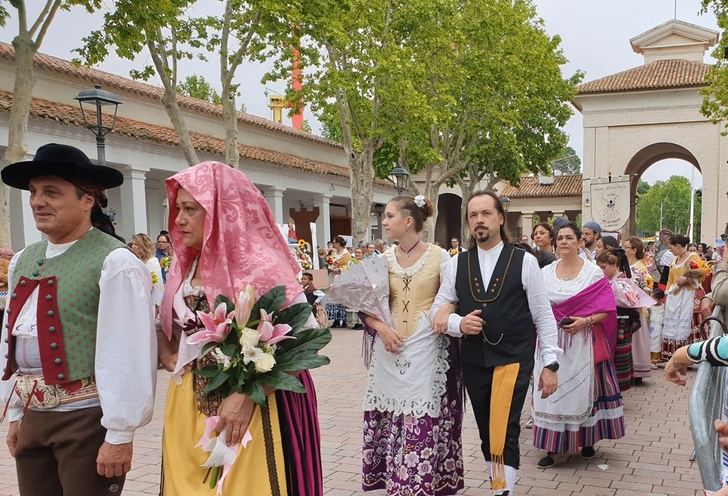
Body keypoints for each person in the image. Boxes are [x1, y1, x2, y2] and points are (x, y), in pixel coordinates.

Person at [157, 161, 323, 495]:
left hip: (257, 406)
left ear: (220, 211)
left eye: (191, 209)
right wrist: (168, 354)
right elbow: (165, 328)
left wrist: (246, 396)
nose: (178, 219)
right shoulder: (182, 267)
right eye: (178, 209)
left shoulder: (262, 266)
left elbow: (305, 342)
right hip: (189, 403)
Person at [0, 143, 157, 495]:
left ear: (87, 199)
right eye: (35, 192)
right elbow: (10, 339)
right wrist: (14, 412)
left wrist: (119, 433)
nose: (38, 201)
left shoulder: (115, 262)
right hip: (32, 413)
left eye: (51, 192)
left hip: (85, 418)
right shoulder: (24, 259)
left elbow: (127, 351)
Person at [431, 191, 560, 495]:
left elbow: (544, 316)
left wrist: (550, 364)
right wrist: (458, 324)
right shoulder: (456, 264)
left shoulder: (525, 261)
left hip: (513, 358)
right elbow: (437, 311)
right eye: (473, 215)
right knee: (488, 432)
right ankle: (499, 485)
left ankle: (502, 490)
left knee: (505, 429)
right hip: (474, 360)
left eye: (486, 213)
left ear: (500, 218)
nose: (479, 220)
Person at [359, 195, 464, 495]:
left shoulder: (440, 257)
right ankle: (394, 481)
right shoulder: (381, 259)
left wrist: (447, 309)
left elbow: (452, 296)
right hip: (389, 348)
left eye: (390, 216)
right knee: (390, 415)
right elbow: (364, 305)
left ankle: (417, 484)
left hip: (426, 347)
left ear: (408, 221)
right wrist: (381, 328)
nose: (384, 221)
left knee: (421, 416)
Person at [533, 222, 624, 467]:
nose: (563, 242)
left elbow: (607, 309)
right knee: (553, 393)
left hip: (583, 341)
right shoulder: (544, 273)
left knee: (582, 391)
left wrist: (585, 321)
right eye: (559, 238)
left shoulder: (592, 273)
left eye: (569, 237)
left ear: (579, 242)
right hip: (552, 342)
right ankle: (551, 446)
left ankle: (586, 441)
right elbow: (537, 309)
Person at [595, 250, 641, 391]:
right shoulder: (601, 280)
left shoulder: (622, 282)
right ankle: (605, 385)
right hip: (605, 321)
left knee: (619, 354)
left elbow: (633, 301)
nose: (601, 270)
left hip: (621, 321)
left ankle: (618, 386)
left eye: (604, 267)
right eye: (599, 267)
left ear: (614, 265)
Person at [661, 233, 708, 360]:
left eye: (671, 248)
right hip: (675, 297)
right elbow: (670, 280)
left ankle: (692, 355)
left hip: (690, 295)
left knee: (690, 323)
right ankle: (676, 355)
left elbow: (701, 275)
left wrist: (686, 280)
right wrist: (668, 293)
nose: (670, 251)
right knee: (673, 325)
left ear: (677, 246)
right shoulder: (673, 261)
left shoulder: (693, 257)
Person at [623, 237, 653, 383]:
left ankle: (638, 371)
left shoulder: (640, 268)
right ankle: (628, 369)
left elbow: (647, 287)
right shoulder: (625, 266)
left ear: (634, 250)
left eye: (627, 247)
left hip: (637, 309)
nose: (624, 250)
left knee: (638, 340)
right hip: (626, 308)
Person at [131, 233, 165, 309]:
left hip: (150, 301)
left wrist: (157, 304)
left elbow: (157, 284)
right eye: (132, 244)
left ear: (144, 246)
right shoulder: (134, 260)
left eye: (136, 245)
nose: (133, 247)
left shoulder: (152, 261)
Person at [326, 236, 351, 328]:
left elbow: (348, 266)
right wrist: (331, 266)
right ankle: (335, 319)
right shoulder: (333, 252)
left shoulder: (346, 254)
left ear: (339, 243)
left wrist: (339, 268)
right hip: (333, 276)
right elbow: (330, 262)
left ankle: (343, 320)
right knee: (333, 296)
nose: (333, 244)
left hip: (341, 276)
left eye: (335, 242)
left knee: (342, 297)